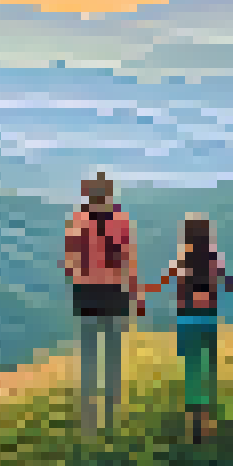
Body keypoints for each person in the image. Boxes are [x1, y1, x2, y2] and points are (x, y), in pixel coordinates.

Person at [140, 212, 233, 443]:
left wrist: (140, 295)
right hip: (207, 320)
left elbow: (160, 284)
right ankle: (207, 422)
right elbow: (229, 286)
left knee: (192, 371)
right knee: (208, 371)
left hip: (186, 321)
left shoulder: (181, 259)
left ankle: (194, 425)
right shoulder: (213, 259)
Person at [59, 171, 139, 437]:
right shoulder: (122, 222)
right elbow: (129, 264)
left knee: (89, 357)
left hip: (87, 294)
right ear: (109, 194)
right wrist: (133, 298)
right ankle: (111, 421)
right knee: (113, 357)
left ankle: (88, 424)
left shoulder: (79, 221)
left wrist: (81, 276)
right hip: (114, 294)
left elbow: (69, 260)